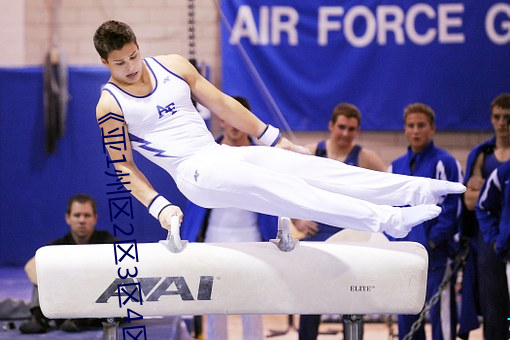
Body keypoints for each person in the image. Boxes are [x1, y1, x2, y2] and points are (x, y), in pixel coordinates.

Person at [93, 20, 464, 246]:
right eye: (119, 63)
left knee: (312, 169)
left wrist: (274, 138)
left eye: (133, 56)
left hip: (220, 156)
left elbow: (223, 103)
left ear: (139, 46)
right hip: (193, 174)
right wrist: (159, 207)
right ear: (105, 63)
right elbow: (124, 167)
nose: (130, 68)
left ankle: (413, 188)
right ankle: (387, 220)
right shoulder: (110, 106)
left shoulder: (172, 66)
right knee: (289, 191)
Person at [181, 96, 278, 340]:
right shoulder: (204, 154)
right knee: (215, 305)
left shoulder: (262, 159)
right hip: (214, 238)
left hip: (254, 239)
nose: (235, 126)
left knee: (253, 306)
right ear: (221, 120)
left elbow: (275, 199)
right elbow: (192, 198)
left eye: (239, 120)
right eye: (229, 119)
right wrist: (187, 238)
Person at [295, 102, 386, 340]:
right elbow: (285, 190)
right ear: (331, 126)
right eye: (341, 127)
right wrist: (297, 219)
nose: (345, 134)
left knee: (353, 300)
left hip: (351, 239)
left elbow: (389, 192)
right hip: (317, 235)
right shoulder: (311, 152)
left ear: (357, 131)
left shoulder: (365, 158)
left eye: (351, 129)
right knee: (310, 302)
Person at [387, 103, 462, 340]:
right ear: (405, 130)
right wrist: (395, 243)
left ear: (432, 129)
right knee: (407, 321)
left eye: (421, 125)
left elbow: (452, 209)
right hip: (405, 259)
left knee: (442, 320)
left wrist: (432, 241)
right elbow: (388, 209)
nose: (416, 131)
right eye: (411, 126)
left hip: (436, 257)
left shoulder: (445, 163)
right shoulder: (395, 167)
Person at [19, 194, 117, 334]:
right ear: (68, 218)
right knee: (42, 270)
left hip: (95, 302)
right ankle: (38, 318)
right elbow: (30, 266)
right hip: (65, 298)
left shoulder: (108, 242)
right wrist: (60, 284)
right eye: (77, 215)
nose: (82, 220)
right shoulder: (58, 246)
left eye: (87, 215)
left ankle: (80, 319)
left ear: (95, 218)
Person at [460, 93, 510, 340]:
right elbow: (469, 202)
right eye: (497, 117)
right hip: (489, 238)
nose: (502, 123)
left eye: (507, 118)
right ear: (491, 119)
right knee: (493, 304)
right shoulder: (482, 154)